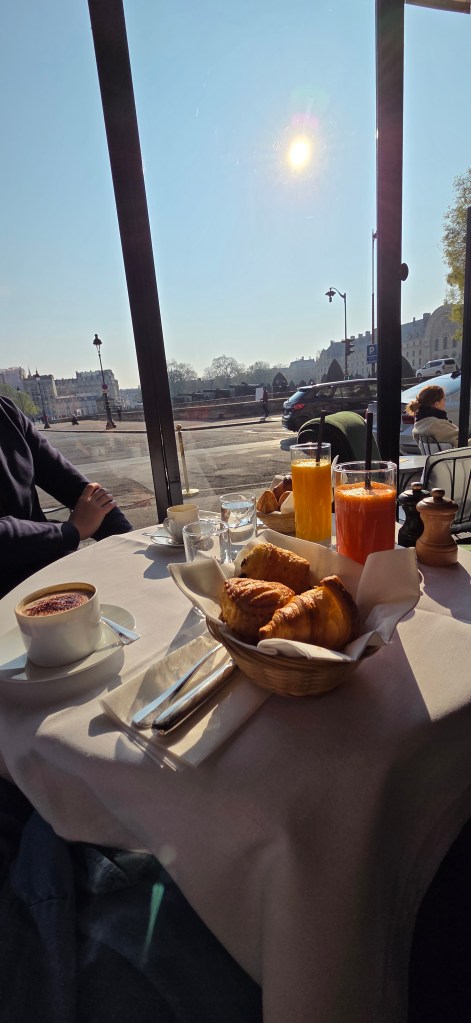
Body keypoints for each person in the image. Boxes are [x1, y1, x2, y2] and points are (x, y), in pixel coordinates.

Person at [0, 396, 133, 599]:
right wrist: (72, 530)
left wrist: (129, 540)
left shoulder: (6, 411)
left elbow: (69, 482)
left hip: (45, 569)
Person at [407, 384, 460, 450]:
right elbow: (462, 443)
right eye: (444, 400)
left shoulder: (419, 424)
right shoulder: (436, 425)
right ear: (436, 404)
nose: (445, 403)